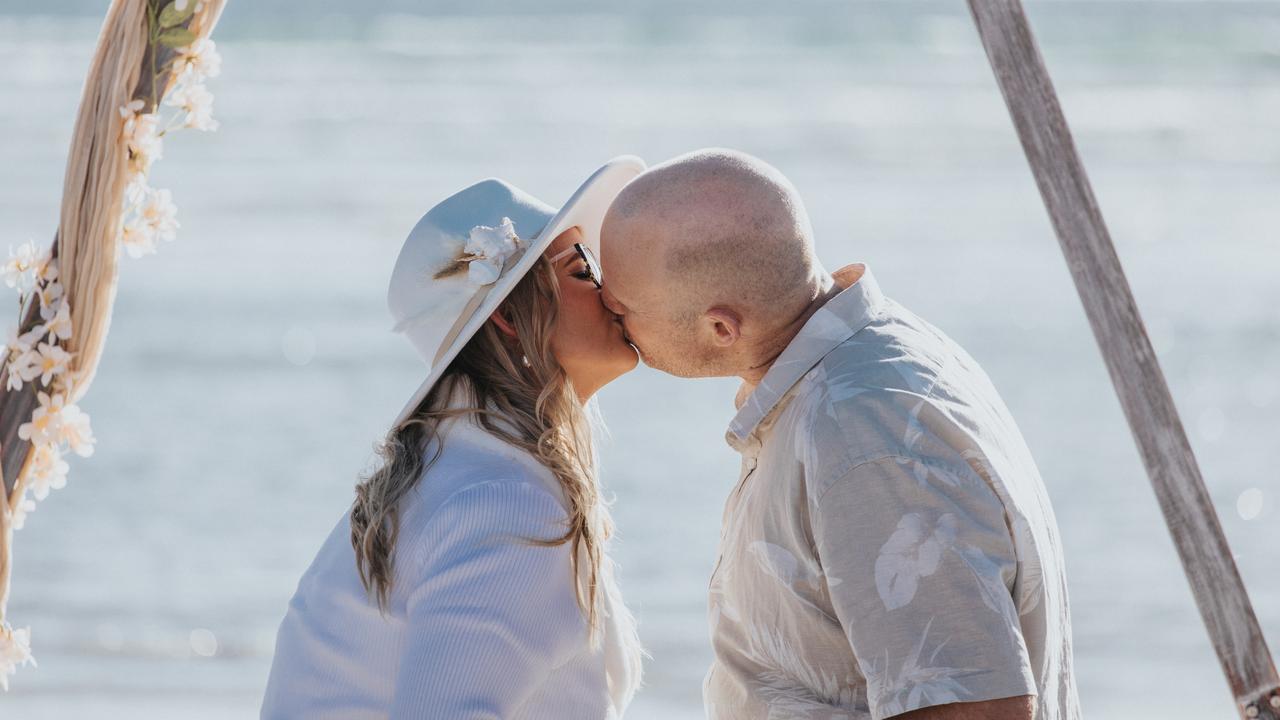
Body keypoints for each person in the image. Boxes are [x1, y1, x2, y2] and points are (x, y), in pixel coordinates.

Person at [599, 149, 1080, 720]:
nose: (609, 317)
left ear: (721, 326)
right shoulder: (863, 361)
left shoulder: (864, 437)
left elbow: (975, 710)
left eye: (621, 307)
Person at [261, 157, 647, 719]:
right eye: (584, 269)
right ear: (511, 319)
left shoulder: (458, 474)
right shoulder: (507, 504)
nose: (613, 291)